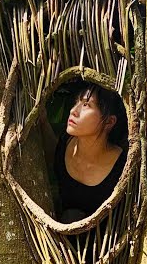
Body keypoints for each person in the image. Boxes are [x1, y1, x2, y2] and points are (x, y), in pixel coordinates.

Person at [46, 84, 127, 223]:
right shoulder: (65, 143)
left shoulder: (123, 167)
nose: (73, 111)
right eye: (76, 103)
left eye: (86, 105)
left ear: (109, 121)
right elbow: (52, 157)